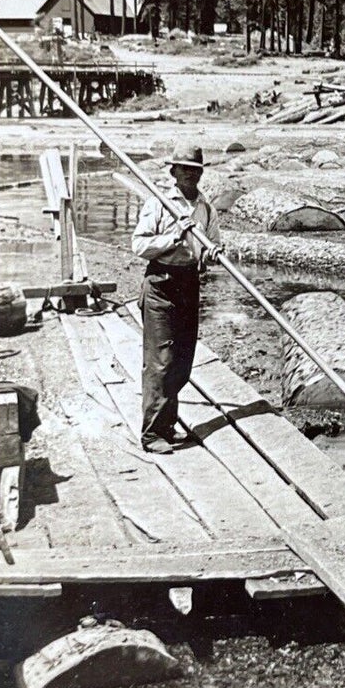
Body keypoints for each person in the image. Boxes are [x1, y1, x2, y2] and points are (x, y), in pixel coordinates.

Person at [131, 142, 221, 454]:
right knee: (161, 362)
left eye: (195, 170)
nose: (190, 175)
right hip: (160, 283)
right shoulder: (159, 204)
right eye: (184, 169)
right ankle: (152, 433)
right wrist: (175, 236)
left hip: (189, 282)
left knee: (183, 361)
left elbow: (212, 245)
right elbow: (139, 245)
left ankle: (167, 426)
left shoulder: (206, 207)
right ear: (173, 172)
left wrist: (212, 253)